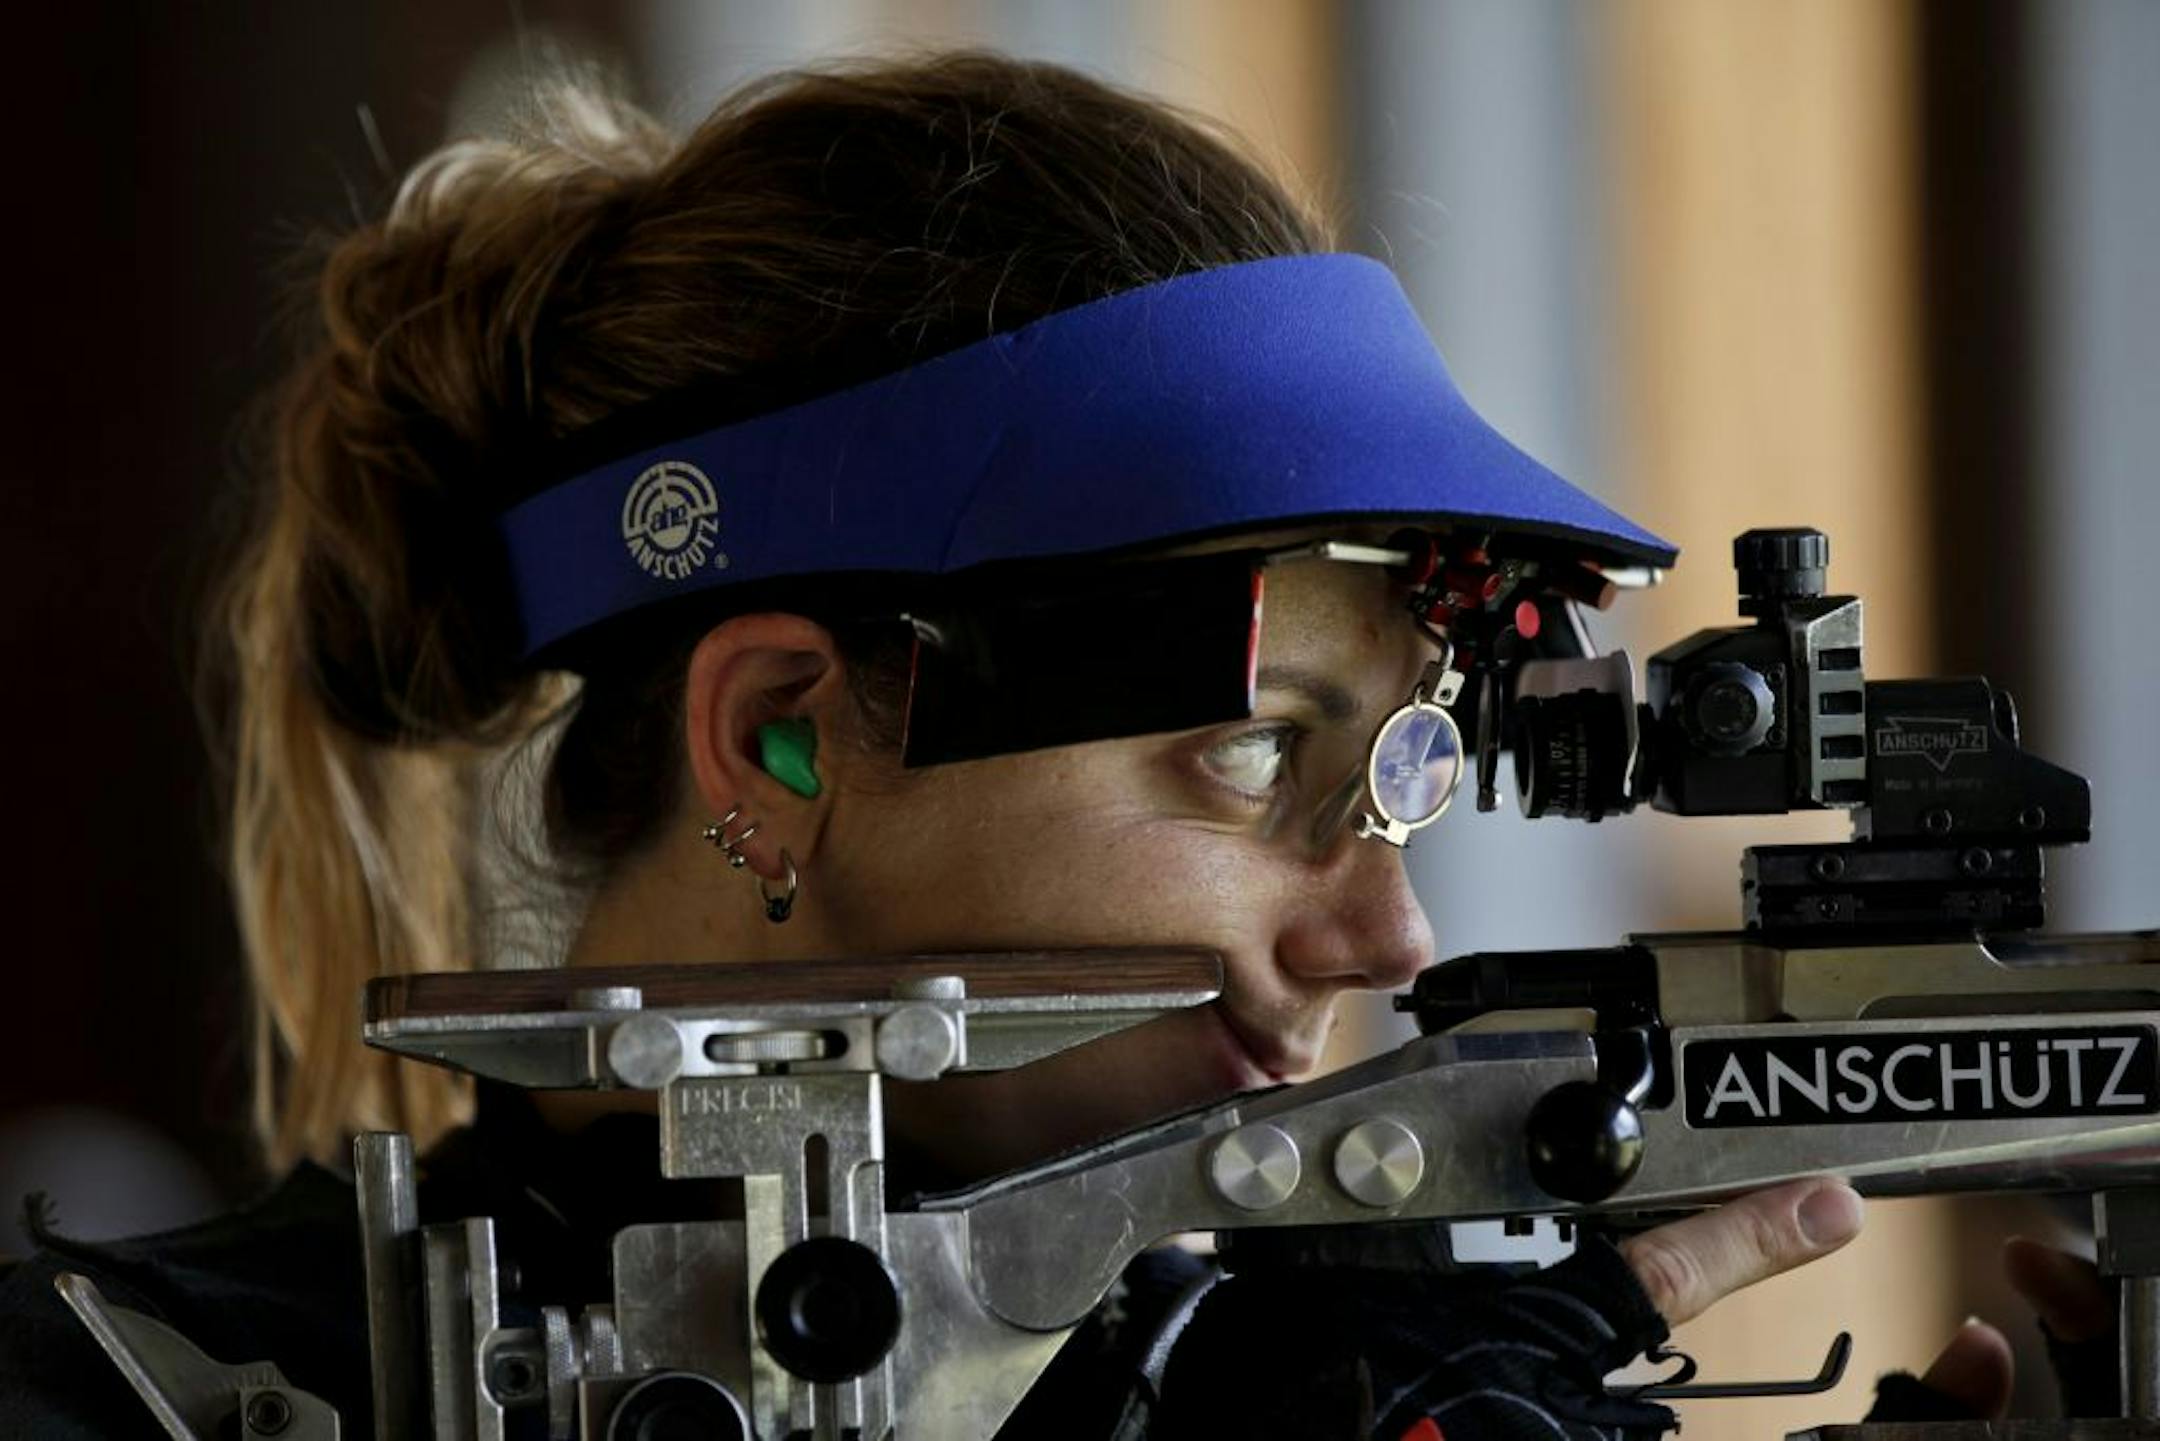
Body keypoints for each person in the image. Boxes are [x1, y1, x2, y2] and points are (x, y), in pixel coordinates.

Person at [0, 49, 2113, 1440]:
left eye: (1402, 769)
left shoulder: (1321, 1373)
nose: (1380, 920)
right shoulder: (125, 1388)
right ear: (784, 744)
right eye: (1247, 751)